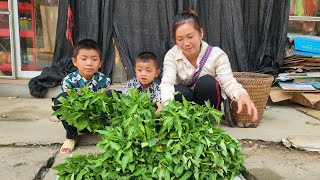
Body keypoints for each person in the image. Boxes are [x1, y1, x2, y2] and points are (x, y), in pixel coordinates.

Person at [160, 9, 258, 121]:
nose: (186, 43)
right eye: (180, 39)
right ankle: (187, 122)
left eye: (190, 37)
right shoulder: (172, 55)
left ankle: (207, 120)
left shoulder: (217, 55)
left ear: (201, 33)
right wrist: (165, 105)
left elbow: (228, 82)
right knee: (179, 91)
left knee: (207, 83)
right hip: (185, 105)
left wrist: (242, 95)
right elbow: (167, 83)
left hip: (207, 102)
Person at [52, 39, 113, 154]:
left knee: (113, 95)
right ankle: (72, 136)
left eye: (94, 59)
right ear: (74, 61)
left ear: (100, 63)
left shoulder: (105, 80)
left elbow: (104, 102)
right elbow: (71, 107)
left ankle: (110, 132)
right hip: (78, 119)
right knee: (60, 100)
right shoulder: (69, 81)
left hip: (97, 119)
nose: (89, 63)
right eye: (84, 59)